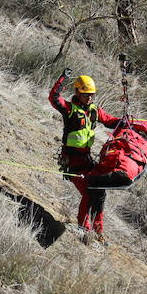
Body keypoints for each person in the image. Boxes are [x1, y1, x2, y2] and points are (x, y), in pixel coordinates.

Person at [49, 68, 120, 244]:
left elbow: (111, 121)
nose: (89, 98)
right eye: (86, 94)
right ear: (77, 92)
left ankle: (98, 231)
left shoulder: (94, 110)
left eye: (92, 95)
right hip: (72, 162)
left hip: (87, 161)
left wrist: (127, 121)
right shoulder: (70, 109)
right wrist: (63, 78)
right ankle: (84, 229)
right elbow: (54, 98)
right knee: (88, 193)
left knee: (100, 192)